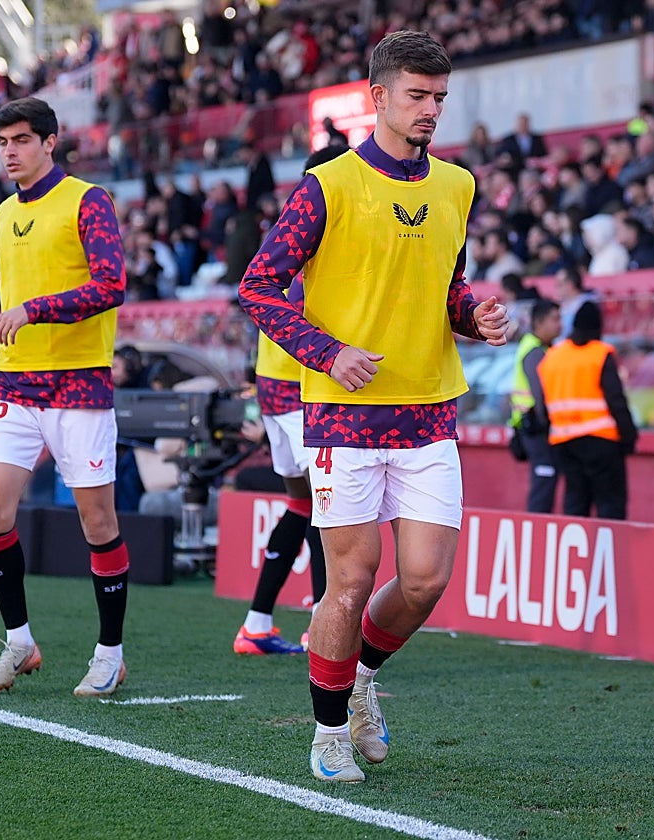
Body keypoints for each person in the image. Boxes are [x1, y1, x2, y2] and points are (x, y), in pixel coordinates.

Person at [239, 31, 509, 784]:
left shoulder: (457, 186)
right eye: (417, 96)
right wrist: (327, 353)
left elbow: (445, 289)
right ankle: (327, 735)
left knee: (424, 582)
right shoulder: (326, 185)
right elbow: (258, 287)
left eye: (440, 98)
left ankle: (358, 680)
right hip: (343, 417)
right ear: (378, 97)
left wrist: (473, 316)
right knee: (349, 583)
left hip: (428, 412)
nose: (430, 111)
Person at [0, 97, 132, 697]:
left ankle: (110, 653)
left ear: (50, 142)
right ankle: (19, 641)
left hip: (79, 384)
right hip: (15, 384)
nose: (10, 151)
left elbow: (111, 285)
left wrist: (32, 312)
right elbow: (18, 297)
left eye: (22, 140)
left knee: (97, 521)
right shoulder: (6, 214)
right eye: (3, 142)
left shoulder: (88, 200)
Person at [233, 146, 347, 658]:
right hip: (301, 392)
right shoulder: (325, 229)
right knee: (324, 511)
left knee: (303, 505)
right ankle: (323, 630)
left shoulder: (293, 227)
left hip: (274, 388)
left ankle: (256, 625)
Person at [535, 301, 637, 521]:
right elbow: (616, 400)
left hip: (564, 442)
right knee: (610, 505)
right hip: (602, 442)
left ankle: (576, 552)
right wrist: (629, 437)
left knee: (575, 503)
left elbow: (544, 403)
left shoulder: (553, 356)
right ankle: (609, 555)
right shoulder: (600, 354)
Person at [508, 298, 562, 514]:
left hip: (530, 424)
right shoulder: (535, 351)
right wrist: (547, 422)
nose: (560, 324)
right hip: (535, 427)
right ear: (539, 323)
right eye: (555, 319)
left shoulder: (536, 347)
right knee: (544, 480)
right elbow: (541, 394)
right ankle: (538, 527)